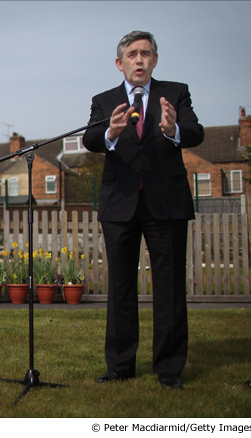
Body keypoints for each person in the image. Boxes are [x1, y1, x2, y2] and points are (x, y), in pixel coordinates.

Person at [83, 31, 204, 389]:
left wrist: (173, 130)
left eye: (146, 54)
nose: (140, 60)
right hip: (119, 203)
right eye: (132, 54)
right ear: (120, 63)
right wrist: (111, 133)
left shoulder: (175, 93)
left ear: (155, 60)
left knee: (169, 286)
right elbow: (91, 140)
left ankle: (168, 368)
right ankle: (120, 366)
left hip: (166, 202)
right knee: (121, 287)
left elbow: (196, 132)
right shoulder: (104, 101)